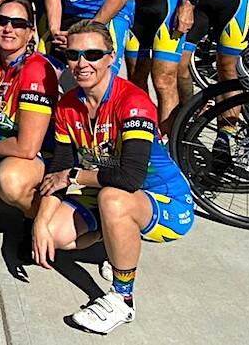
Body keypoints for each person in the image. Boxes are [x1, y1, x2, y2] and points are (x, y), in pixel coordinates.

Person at [33, 20, 194, 335]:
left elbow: (130, 178)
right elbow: (59, 169)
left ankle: (123, 298)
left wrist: (75, 175)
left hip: (166, 201)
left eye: (92, 54)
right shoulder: (68, 105)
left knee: (113, 199)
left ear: (111, 56)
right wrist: (40, 220)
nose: (82, 63)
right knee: (54, 234)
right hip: (110, 188)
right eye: (73, 55)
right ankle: (118, 237)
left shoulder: (133, 103)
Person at [0, 0, 57, 253]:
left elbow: (27, 148)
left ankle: (39, 221)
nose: (8, 29)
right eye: (2, 21)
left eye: (18, 24)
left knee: (9, 181)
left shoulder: (36, 71)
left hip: (35, 156)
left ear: (30, 32)